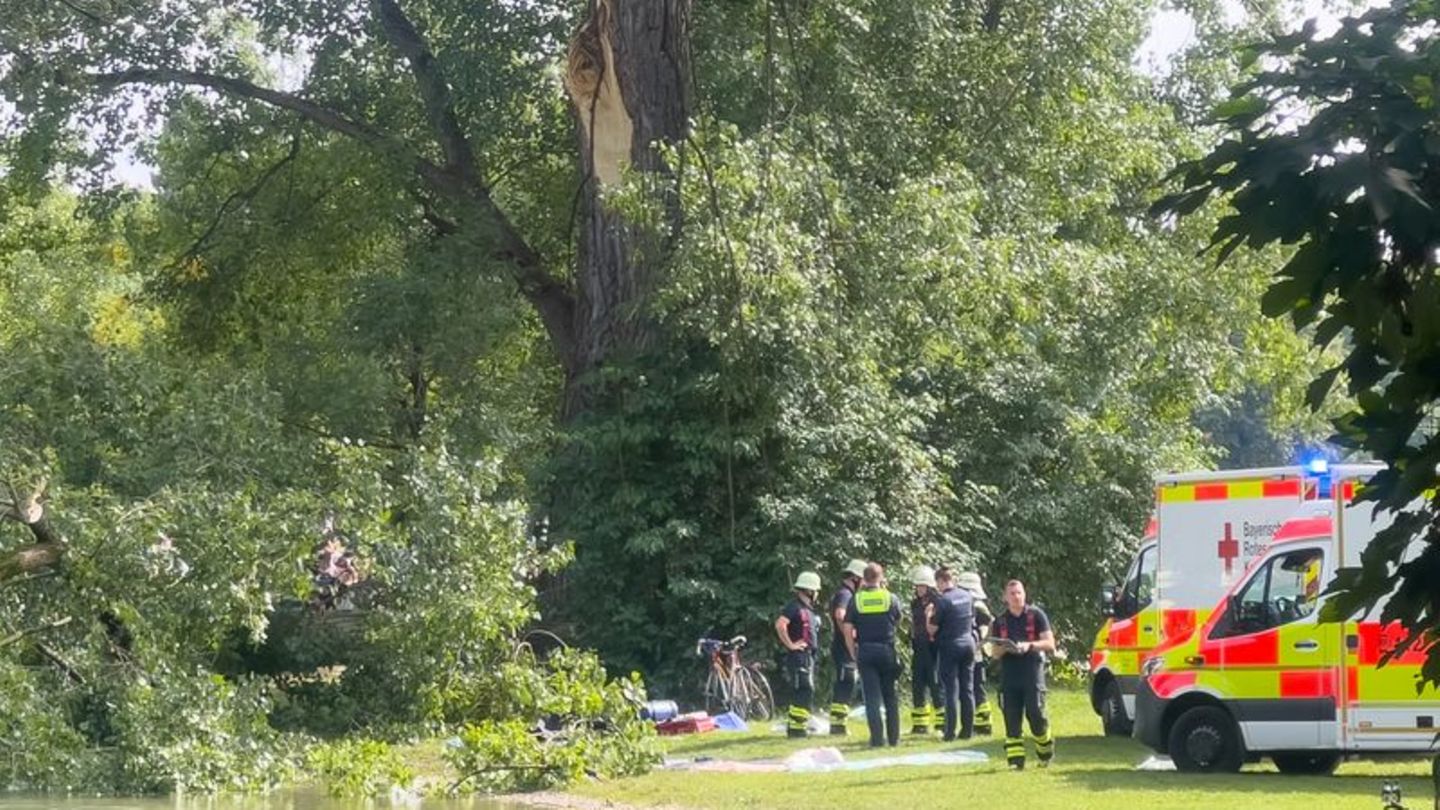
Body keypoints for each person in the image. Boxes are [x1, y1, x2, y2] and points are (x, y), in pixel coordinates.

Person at [990, 579, 1056, 769]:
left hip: (1031, 670)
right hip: (1009, 673)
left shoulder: (1036, 615)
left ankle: (1045, 751)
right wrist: (1005, 648)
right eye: (1012, 594)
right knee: (1011, 717)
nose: (1016, 597)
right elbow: (994, 652)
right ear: (1005, 598)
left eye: (1019, 593)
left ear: (1024, 594)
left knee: (1035, 713)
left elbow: (1050, 644)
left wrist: (1030, 645)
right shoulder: (1000, 621)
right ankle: (1015, 762)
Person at [844, 562, 903, 747]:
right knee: (890, 696)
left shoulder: (856, 600)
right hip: (887, 650)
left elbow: (847, 629)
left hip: (866, 650)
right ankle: (894, 739)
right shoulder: (890, 598)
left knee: (872, 698)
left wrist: (853, 651)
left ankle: (877, 740)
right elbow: (898, 620)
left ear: (864, 578)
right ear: (881, 577)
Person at [928, 567, 976, 741]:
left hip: (950, 646)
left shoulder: (943, 601)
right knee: (967, 689)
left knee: (950, 691)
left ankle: (950, 732)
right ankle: (967, 731)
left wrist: (928, 616)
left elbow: (932, 629)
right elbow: (972, 619)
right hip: (968, 644)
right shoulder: (967, 596)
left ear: (940, 581)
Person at [776, 571, 823, 738]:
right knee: (802, 689)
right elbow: (781, 625)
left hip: (808, 656)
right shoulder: (794, 606)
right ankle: (796, 729)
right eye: (816, 591)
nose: (817, 594)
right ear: (809, 591)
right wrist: (790, 645)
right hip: (799, 656)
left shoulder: (807, 609)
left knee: (807, 689)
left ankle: (800, 726)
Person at [828, 558, 866, 735]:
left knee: (847, 683)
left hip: (842, 645)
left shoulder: (845, 592)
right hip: (844, 647)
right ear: (856, 578)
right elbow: (840, 615)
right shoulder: (845, 594)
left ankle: (839, 724)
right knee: (845, 682)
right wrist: (850, 635)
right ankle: (837, 726)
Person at [958, 571, 994, 735]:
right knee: (974, 687)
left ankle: (984, 724)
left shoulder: (978, 607)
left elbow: (985, 630)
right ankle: (980, 722)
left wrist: (979, 646)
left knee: (977, 688)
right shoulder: (972, 604)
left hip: (976, 654)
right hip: (973, 652)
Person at [908, 565, 942, 735]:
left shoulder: (937, 602)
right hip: (919, 648)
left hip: (933, 649)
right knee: (918, 685)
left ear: (929, 587)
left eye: (922, 586)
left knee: (936, 685)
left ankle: (942, 724)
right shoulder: (914, 604)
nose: (919, 589)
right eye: (917, 586)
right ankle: (920, 725)